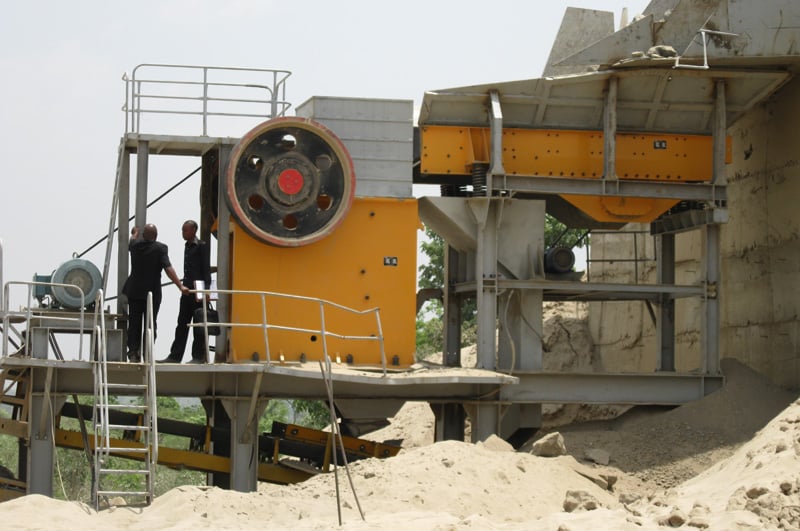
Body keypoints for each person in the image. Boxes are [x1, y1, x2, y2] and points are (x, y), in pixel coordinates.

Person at [123, 224, 188, 363]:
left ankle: (133, 353)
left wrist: (135, 232)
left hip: (134, 291)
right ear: (156, 236)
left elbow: (132, 240)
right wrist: (180, 285)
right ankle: (147, 353)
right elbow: (168, 268)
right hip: (151, 292)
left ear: (143, 236)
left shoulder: (135, 246)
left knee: (134, 323)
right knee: (150, 323)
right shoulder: (160, 248)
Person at [159, 220, 212, 364]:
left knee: (198, 325)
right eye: (182, 230)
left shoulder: (201, 246)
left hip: (198, 290)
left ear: (194, 231)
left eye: (185, 230)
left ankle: (197, 357)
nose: (183, 233)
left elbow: (206, 270)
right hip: (187, 290)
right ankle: (175, 356)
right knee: (182, 323)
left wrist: (207, 291)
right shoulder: (187, 246)